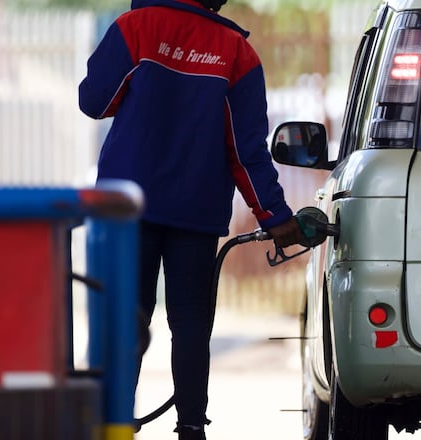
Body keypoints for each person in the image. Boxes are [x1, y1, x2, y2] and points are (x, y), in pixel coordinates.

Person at [78, 1, 303, 439]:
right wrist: (275, 214)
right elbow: (247, 150)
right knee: (191, 323)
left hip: (127, 209)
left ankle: (115, 424)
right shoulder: (237, 52)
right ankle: (191, 428)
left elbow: (94, 101)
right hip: (195, 212)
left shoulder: (135, 27)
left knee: (126, 318)